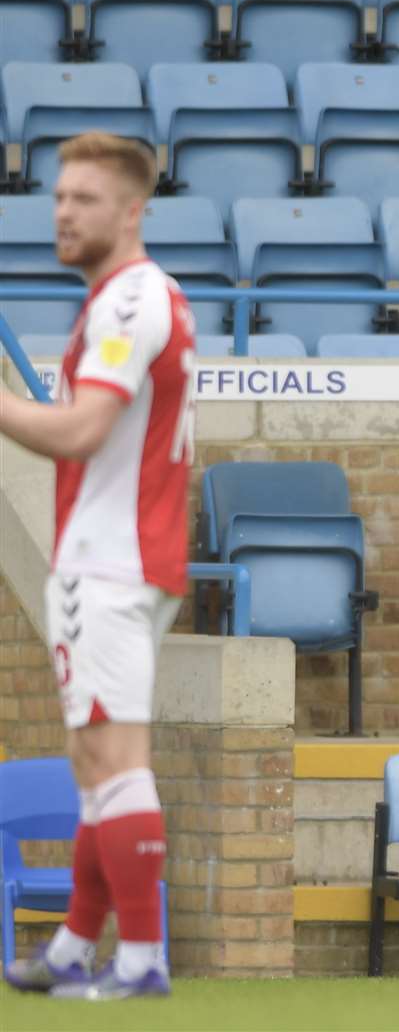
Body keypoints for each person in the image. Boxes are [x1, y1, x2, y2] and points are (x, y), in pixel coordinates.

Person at [1, 133, 196, 1001]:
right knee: (92, 758)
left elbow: (81, 431)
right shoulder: (136, 298)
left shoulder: (128, 301)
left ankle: (143, 960)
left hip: (109, 560)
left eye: (84, 198)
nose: (65, 212)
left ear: (131, 210)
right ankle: (75, 949)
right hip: (127, 555)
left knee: (116, 759)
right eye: (59, 197)